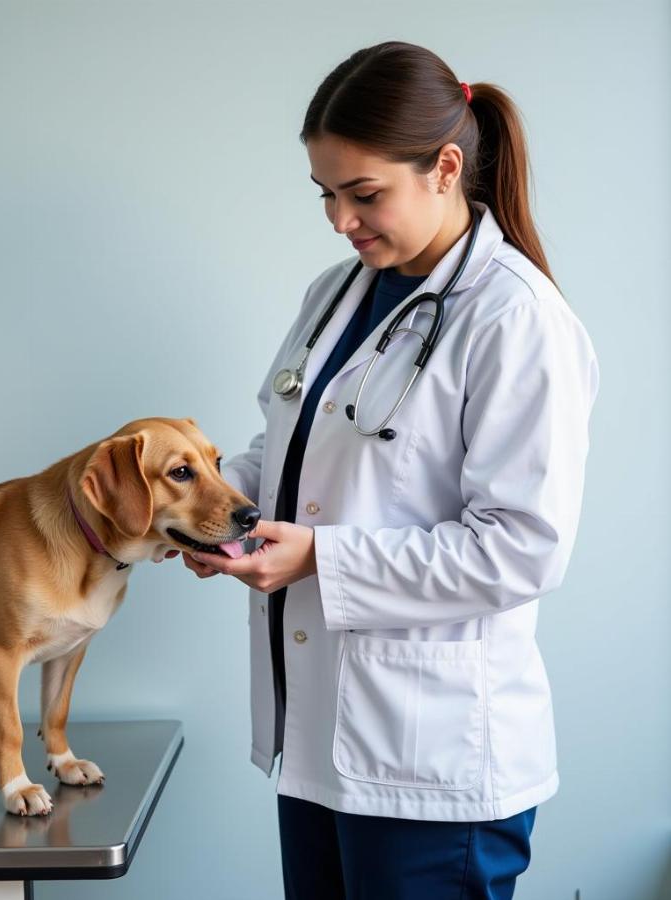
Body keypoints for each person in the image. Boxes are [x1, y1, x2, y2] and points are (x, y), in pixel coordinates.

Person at [180, 41, 600, 899]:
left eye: (363, 194)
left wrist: (318, 559)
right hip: (318, 742)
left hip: (433, 765)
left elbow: (523, 549)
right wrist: (209, 510)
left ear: (446, 167)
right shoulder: (336, 292)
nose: (340, 219)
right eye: (326, 195)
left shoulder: (514, 319)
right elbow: (291, 454)